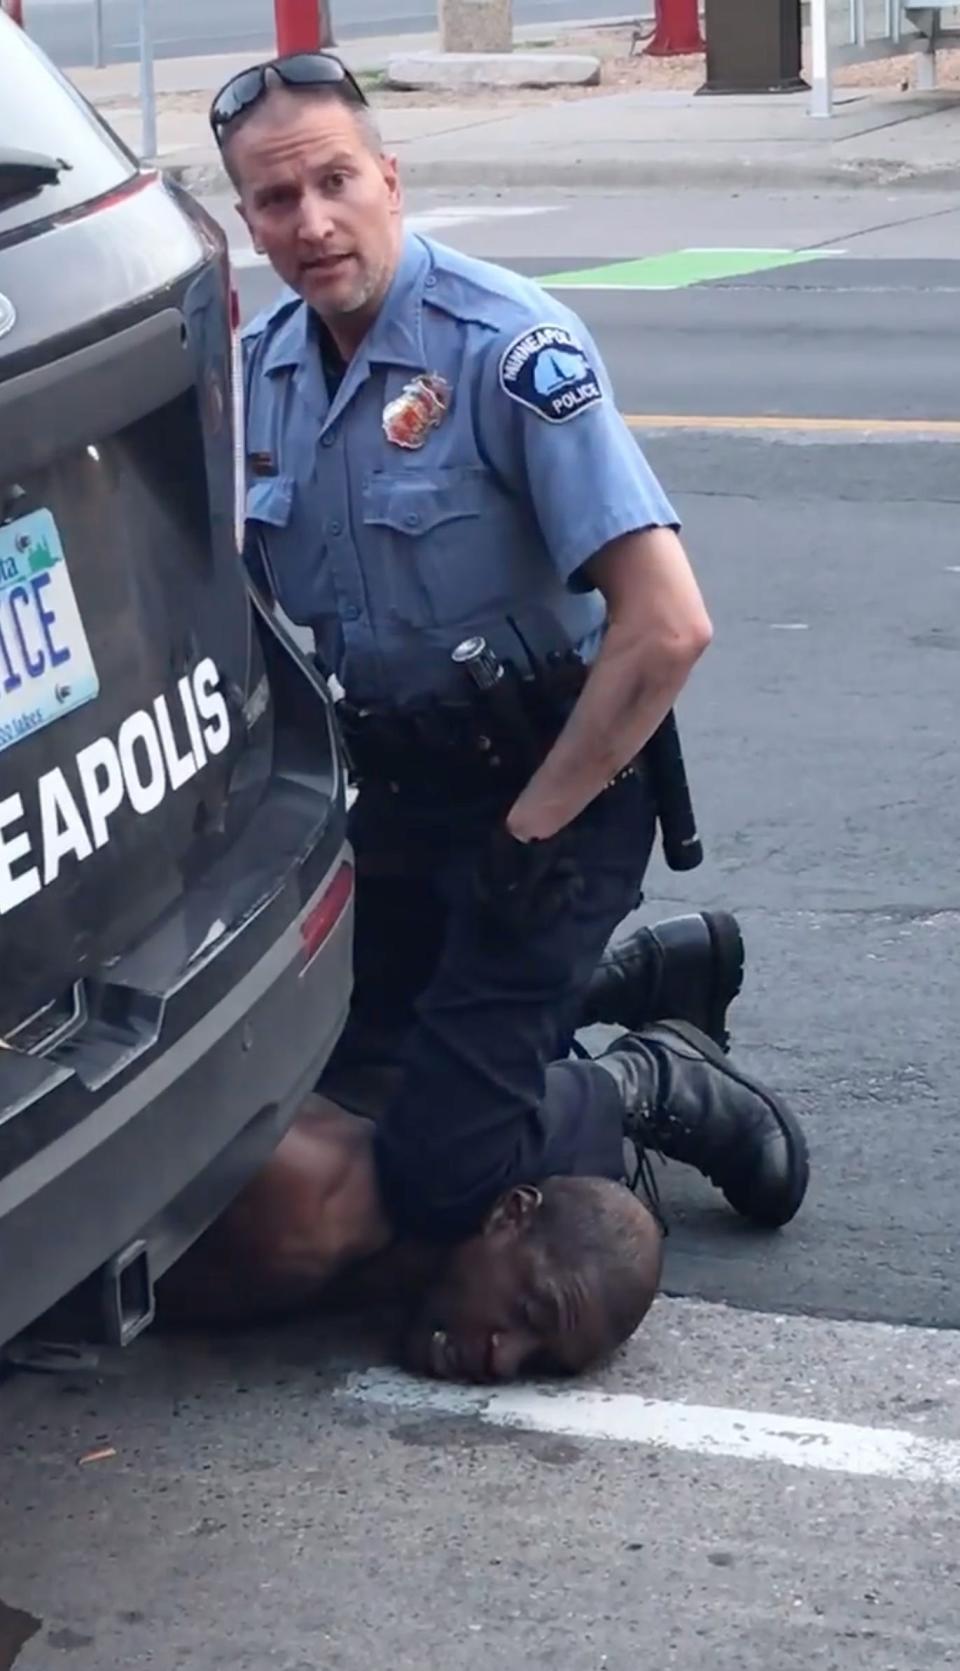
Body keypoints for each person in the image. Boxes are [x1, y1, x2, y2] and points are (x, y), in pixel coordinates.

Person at [206, 53, 810, 1280]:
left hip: (554, 798)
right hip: (399, 798)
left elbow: (667, 625)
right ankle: (623, 976)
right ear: (246, 217)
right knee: (323, 1084)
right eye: (276, 201)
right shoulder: (264, 370)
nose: (312, 223)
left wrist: (532, 836)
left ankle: (651, 1080)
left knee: (440, 1175)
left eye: (335, 182)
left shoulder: (509, 348)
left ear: (390, 176)